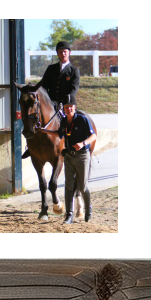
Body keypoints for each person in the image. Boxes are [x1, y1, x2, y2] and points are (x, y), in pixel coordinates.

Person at [37, 94, 96, 224]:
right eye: (66, 107)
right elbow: (59, 133)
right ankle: (69, 215)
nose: (68, 109)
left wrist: (83, 143)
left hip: (82, 156)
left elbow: (93, 136)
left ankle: (88, 208)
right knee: (68, 186)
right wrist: (44, 131)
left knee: (82, 186)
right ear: (63, 108)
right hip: (69, 156)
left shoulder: (82, 120)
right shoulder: (64, 121)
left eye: (71, 107)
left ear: (74, 108)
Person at [22, 41, 80, 159]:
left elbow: (74, 89)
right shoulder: (51, 68)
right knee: (35, 117)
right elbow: (43, 86)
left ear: (69, 53)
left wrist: (66, 103)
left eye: (65, 51)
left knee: (71, 122)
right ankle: (31, 147)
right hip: (49, 102)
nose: (63, 54)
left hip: (65, 104)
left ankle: (71, 145)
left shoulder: (74, 70)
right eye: (60, 52)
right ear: (57, 54)